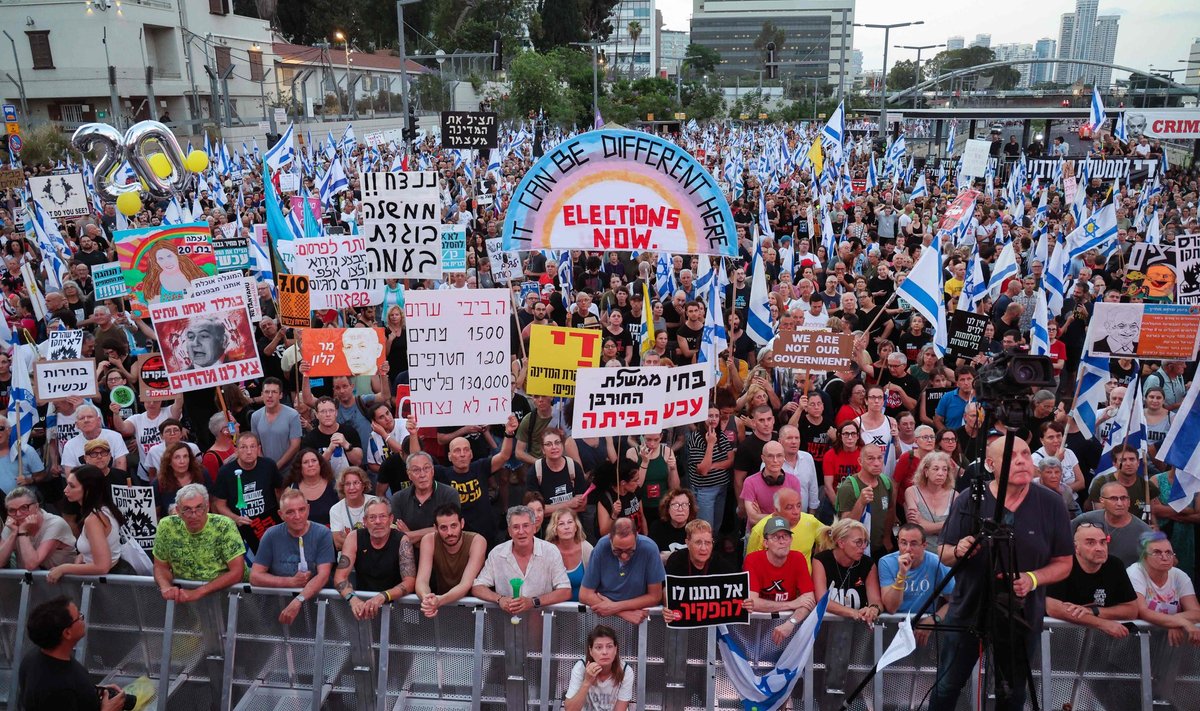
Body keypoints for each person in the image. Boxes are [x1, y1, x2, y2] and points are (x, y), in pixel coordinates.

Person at [930, 436, 1074, 711]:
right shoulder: (969, 499)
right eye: (1011, 456)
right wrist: (959, 550)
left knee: (1011, 694)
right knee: (947, 686)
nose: (1021, 461)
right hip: (968, 610)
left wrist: (1032, 579)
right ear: (990, 464)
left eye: (1025, 454)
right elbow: (942, 552)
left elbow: (1064, 562)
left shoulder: (1052, 502)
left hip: (1019, 616)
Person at [18, 596, 128, 711]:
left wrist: (94, 691)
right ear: (67, 633)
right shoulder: (57, 691)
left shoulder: (33, 658)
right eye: (79, 617)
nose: (82, 619)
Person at [249, 489, 335, 625]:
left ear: (308, 509)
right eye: (290, 512)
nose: (297, 516)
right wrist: (290, 582)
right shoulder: (271, 535)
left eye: (301, 510)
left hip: (319, 607)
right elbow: (255, 576)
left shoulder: (322, 533)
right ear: (281, 514)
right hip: (280, 607)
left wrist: (299, 600)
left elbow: (323, 575)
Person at [472, 505, 573, 617]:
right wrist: (499, 599)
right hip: (506, 627)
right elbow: (477, 587)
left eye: (526, 526)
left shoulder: (550, 551)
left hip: (543, 627)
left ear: (534, 528)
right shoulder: (497, 553)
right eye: (515, 527)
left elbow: (565, 590)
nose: (521, 531)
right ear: (509, 531)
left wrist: (533, 602)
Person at [152, 483, 247, 602]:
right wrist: (166, 587)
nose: (194, 515)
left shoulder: (224, 526)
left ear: (207, 507)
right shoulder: (166, 526)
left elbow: (237, 571)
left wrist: (198, 592)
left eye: (199, 508)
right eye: (187, 509)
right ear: (177, 510)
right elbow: (160, 566)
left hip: (229, 595)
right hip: (186, 596)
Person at [1046, 523, 1139, 638]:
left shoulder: (1115, 565)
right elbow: (1052, 608)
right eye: (1090, 543)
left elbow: (1132, 610)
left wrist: (1093, 611)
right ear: (1075, 548)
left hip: (1099, 643)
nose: (1099, 548)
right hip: (1056, 638)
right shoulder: (1060, 564)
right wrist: (1102, 624)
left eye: (1103, 542)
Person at [333, 498, 417, 621]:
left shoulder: (402, 540)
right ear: (365, 521)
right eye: (372, 517)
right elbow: (340, 577)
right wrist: (353, 599)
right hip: (363, 607)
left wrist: (383, 596)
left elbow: (409, 582)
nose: (378, 521)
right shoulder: (354, 537)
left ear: (391, 519)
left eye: (382, 516)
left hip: (398, 606)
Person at [742, 515, 817, 644]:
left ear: (791, 539)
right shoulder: (752, 560)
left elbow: (809, 601)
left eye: (785, 536)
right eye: (776, 537)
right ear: (765, 543)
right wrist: (790, 604)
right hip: (755, 629)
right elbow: (752, 602)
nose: (782, 541)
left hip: (787, 629)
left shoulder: (798, 559)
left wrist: (791, 622)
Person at [47, 466, 130, 581]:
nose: (65, 490)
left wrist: (64, 568)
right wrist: (82, 557)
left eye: (72, 486)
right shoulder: (103, 510)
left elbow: (102, 566)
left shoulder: (94, 519)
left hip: (110, 582)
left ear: (88, 489)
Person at [579, 517, 666, 625]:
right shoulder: (602, 546)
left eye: (630, 550)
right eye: (618, 551)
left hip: (639, 618)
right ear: (610, 538)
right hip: (605, 617)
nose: (624, 556)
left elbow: (655, 596)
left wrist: (615, 607)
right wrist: (622, 613)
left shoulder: (649, 548)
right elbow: (584, 594)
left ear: (636, 537)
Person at [878, 523, 954, 642]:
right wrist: (902, 574)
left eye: (913, 544)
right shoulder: (886, 562)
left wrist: (935, 619)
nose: (908, 549)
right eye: (903, 543)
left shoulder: (937, 563)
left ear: (924, 545)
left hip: (924, 627)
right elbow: (891, 607)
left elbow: (955, 600)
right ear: (898, 543)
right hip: (893, 627)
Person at [1125, 531, 1200, 645]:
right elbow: (1142, 611)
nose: (1165, 557)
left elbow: (1196, 612)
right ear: (1144, 556)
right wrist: (1180, 622)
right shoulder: (1134, 573)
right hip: (1134, 643)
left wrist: (1175, 621)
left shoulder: (1179, 575)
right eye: (1157, 552)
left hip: (1167, 646)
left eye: (1169, 552)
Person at [212, 432, 284, 552]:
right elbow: (219, 504)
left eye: (252, 446)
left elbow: (281, 491)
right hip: (242, 528)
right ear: (236, 450)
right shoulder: (226, 472)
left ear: (258, 448)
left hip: (269, 523)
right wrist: (236, 518)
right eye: (244, 447)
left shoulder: (268, 465)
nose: (249, 451)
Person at [415, 503, 487, 617]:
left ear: (462, 523)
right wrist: (426, 599)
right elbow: (422, 580)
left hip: (476, 608)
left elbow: (465, 584)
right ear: (435, 528)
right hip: (443, 607)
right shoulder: (429, 540)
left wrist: (439, 601)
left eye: (454, 526)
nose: (450, 533)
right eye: (444, 527)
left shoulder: (477, 541)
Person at [811, 519, 881, 625]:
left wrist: (873, 610)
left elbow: (875, 601)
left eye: (865, 541)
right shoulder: (821, 560)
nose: (863, 547)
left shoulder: (868, 564)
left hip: (858, 626)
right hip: (826, 627)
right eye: (858, 542)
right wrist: (853, 613)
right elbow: (822, 600)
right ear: (841, 543)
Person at [390, 452, 461, 550]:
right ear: (409, 474)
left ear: (432, 471)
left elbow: (450, 531)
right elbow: (395, 537)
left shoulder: (449, 494)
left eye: (426, 468)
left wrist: (409, 535)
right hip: (407, 554)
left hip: (442, 552)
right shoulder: (398, 498)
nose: (422, 475)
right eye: (416, 470)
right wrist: (433, 530)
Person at [1072, 481, 1152, 565]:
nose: (1120, 503)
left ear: (1129, 502)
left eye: (1123, 498)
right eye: (1113, 498)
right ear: (1102, 501)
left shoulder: (1145, 532)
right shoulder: (1086, 519)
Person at [835, 444, 896, 555]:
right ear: (860, 461)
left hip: (880, 547)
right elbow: (845, 526)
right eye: (870, 459)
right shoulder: (848, 487)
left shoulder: (886, 482)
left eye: (879, 458)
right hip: (856, 551)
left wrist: (887, 537)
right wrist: (861, 502)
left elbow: (890, 510)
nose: (877, 463)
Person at [0, 487, 77, 570]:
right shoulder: (12, 525)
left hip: (63, 580)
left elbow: (31, 565)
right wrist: (13, 533)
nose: (18, 514)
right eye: (12, 510)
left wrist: (22, 531)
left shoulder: (55, 524)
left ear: (36, 506)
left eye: (24, 508)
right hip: (29, 581)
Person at [745, 488, 823, 567]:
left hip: (803, 578)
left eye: (798, 506)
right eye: (789, 507)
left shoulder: (811, 522)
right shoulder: (760, 530)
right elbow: (751, 565)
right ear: (776, 510)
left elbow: (829, 539)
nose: (796, 512)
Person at [563, 624, 634, 711]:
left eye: (609, 646)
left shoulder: (626, 671)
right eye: (598, 647)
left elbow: (620, 709)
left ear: (616, 649)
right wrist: (587, 681)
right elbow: (569, 709)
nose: (604, 652)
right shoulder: (580, 667)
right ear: (591, 651)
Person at [741, 440, 804, 531]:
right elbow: (753, 518)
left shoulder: (793, 481)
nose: (775, 460)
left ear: (784, 457)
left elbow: (796, 516)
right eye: (770, 456)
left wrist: (762, 516)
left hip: (785, 534)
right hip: (757, 533)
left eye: (779, 456)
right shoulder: (750, 482)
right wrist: (785, 516)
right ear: (763, 458)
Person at [904, 451, 956, 551]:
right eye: (936, 469)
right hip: (920, 553)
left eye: (944, 470)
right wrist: (945, 525)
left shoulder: (954, 495)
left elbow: (954, 529)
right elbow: (915, 529)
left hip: (946, 554)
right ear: (926, 471)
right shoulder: (912, 492)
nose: (940, 473)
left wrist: (924, 523)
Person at [250, 377, 302, 469]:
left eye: (274, 392)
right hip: (265, 469)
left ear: (281, 395)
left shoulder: (292, 415)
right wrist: (266, 466)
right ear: (262, 394)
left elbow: (295, 445)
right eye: (266, 392)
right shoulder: (255, 416)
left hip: (289, 470)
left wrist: (276, 466)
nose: (270, 395)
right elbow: (255, 445)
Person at [545, 508, 594, 602]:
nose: (566, 527)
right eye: (561, 524)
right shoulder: (547, 550)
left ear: (576, 527)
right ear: (554, 529)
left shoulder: (587, 549)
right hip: (554, 608)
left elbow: (596, 585)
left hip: (583, 609)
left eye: (570, 522)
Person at [285, 448, 340, 526]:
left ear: (320, 464)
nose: (310, 465)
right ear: (299, 467)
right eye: (305, 462)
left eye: (314, 461)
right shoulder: (291, 490)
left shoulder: (335, 486)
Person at [328, 467, 378, 550]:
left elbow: (382, 534)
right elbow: (338, 543)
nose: (352, 487)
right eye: (347, 484)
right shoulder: (336, 509)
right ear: (342, 488)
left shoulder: (376, 502)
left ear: (363, 485)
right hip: (348, 555)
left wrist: (347, 539)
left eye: (356, 483)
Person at [648, 488, 695, 560]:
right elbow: (651, 558)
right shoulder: (657, 527)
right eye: (675, 505)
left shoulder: (696, 529)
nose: (680, 509)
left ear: (690, 508)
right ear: (667, 508)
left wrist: (669, 556)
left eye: (685, 505)